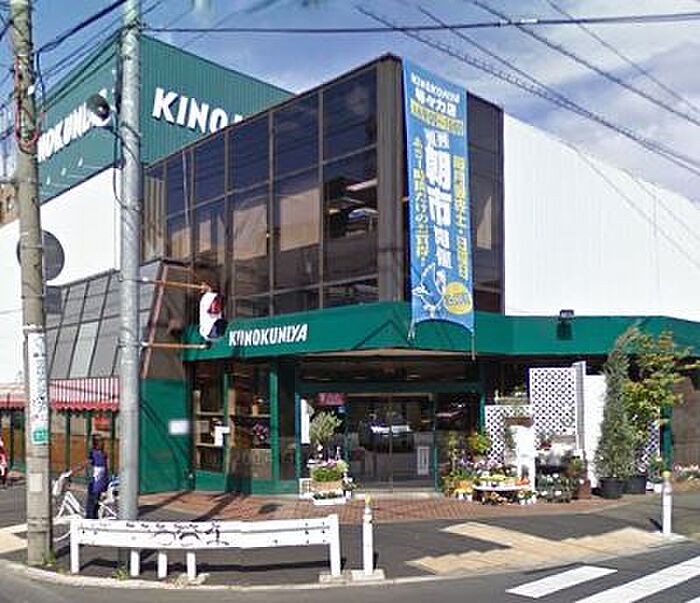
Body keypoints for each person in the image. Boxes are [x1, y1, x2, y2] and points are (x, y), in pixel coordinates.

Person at [81, 434, 109, 519]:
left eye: (102, 441)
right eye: (100, 441)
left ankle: (90, 519)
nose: (102, 443)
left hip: (97, 483)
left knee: (92, 504)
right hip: (98, 482)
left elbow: (87, 463)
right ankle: (93, 518)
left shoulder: (97, 453)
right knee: (94, 503)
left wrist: (72, 471)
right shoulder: (99, 453)